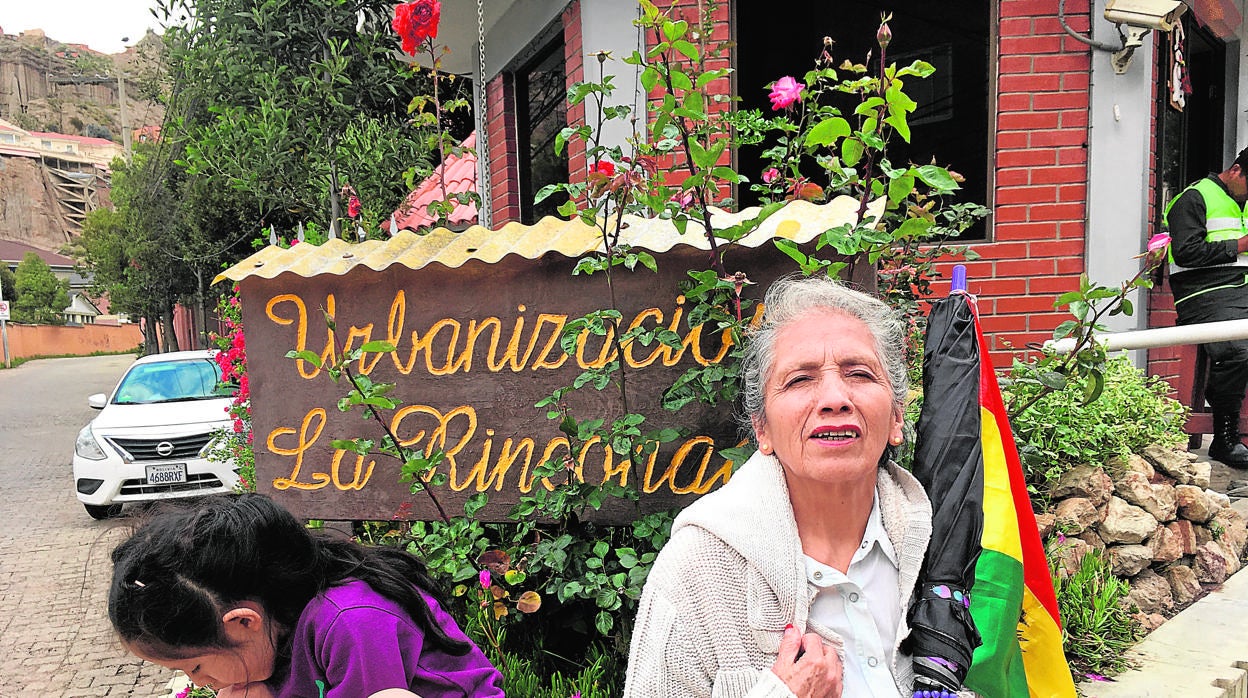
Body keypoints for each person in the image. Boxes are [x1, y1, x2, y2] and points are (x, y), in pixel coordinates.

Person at [624, 274, 933, 698]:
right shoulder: (699, 570)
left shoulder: (940, 542)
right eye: (800, 379)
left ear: (896, 417)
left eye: (858, 373)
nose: (834, 398)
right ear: (762, 429)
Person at [108, 493, 505, 698]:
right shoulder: (276, 632)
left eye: (194, 668)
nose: (198, 683)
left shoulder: (352, 622)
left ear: (244, 622)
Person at [1165, 146, 1248, 468]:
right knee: (1238, 348)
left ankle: (1222, 388)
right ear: (1237, 171)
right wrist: (1240, 245)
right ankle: (1225, 439)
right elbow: (1186, 253)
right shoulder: (1193, 198)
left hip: (1242, 288)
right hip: (1203, 291)